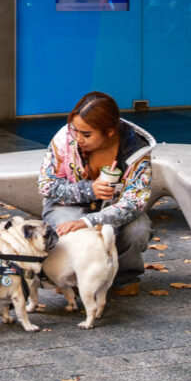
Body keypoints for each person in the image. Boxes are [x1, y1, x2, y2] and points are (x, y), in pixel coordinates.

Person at [38, 91, 154, 296]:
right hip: (67, 205)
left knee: (138, 230)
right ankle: (69, 276)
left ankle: (123, 278)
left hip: (114, 208)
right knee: (69, 228)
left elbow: (134, 203)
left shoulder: (137, 150)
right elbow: (46, 185)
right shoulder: (65, 137)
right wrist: (88, 190)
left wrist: (90, 221)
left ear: (109, 131)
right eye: (75, 130)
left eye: (87, 134)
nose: (78, 139)